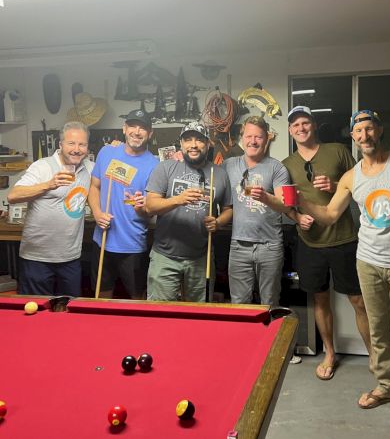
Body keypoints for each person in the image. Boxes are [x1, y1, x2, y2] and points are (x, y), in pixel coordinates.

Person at [299, 110, 390, 439]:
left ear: (379, 130)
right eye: (358, 131)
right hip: (366, 261)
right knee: (377, 331)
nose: (364, 135)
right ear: (353, 137)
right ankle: (387, 385)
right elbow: (330, 214)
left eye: (369, 128)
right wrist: (300, 203)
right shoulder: (351, 176)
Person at [282, 106, 372, 380]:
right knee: (320, 300)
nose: (301, 128)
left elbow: (362, 186)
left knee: (358, 299)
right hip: (310, 243)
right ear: (289, 130)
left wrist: (334, 186)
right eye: (295, 124)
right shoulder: (286, 165)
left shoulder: (338, 151)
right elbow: (287, 203)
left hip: (344, 238)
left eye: (305, 122)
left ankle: (375, 354)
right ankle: (330, 353)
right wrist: (297, 217)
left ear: (315, 125)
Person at [145, 121, 232, 302]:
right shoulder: (166, 168)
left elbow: (228, 210)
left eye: (199, 140)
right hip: (165, 256)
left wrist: (218, 222)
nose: (193, 145)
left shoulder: (220, 174)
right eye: (188, 140)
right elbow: (150, 206)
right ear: (181, 144)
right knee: (161, 314)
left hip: (201, 257)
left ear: (208, 144)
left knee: (199, 314)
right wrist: (179, 199)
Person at [8, 121, 93, 296]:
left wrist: (115, 148)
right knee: (36, 312)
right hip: (37, 258)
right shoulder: (42, 166)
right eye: (71, 143)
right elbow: (13, 196)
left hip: (71, 258)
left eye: (82, 144)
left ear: (87, 147)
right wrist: (48, 184)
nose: (77, 149)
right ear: (60, 144)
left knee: (69, 313)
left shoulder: (90, 168)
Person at [87, 109, 158, 299]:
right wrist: (97, 212)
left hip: (133, 244)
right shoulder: (108, 152)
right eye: (133, 126)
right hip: (102, 240)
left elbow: (150, 209)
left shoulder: (155, 165)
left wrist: (142, 207)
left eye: (143, 128)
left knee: (138, 299)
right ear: (124, 128)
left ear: (150, 133)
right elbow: (94, 187)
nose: (137, 131)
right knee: (101, 297)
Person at [223, 116, 291, 307]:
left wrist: (265, 197)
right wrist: (178, 160)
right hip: (238, 245)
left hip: (270, 246)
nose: (253, 141)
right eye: (249, 136)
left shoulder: (277, 168)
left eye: (259, 137)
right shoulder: (228, 165)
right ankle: (242, 338)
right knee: (239, 304)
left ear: (267, 139)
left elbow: (285, 205)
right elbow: (206, 172)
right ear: (242, 138)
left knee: (270, 302)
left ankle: (271, 338)